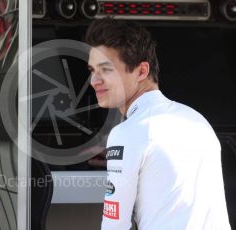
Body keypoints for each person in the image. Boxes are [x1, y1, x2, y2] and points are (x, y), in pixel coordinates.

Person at [85, 18, 231, 230]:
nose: (94, 81)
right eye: (92, 70)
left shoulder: (128, 133)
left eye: (106, 69)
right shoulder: (196, 120)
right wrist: (118, 157)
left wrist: (122, 152)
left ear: (142, 72)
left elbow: (114, 226)